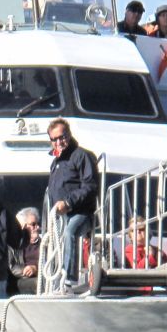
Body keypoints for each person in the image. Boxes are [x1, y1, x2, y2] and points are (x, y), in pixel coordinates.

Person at [46, 119, 100, 291]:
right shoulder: (56, 162)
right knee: (54, 241)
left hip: (82, 213)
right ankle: (55, 281)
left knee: (70, 232)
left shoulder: (81, 155)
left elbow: (90, 186)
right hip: (60, 215)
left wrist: (68, 202)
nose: (59, 142)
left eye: (62, 137)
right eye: (54, 139)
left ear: (69, 134)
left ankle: (69, 280)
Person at [9, 208, 43, 294]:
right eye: (33, 224)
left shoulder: (45, 242)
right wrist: (25, 270)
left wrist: (36, 269)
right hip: (20, 279)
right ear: (23, 226)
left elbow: (52, 264)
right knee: (40, 283)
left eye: (38, 224)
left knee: (43, 282)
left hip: (41, 277)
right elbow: (11, 266)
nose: (38, 227)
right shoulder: (13, 244)